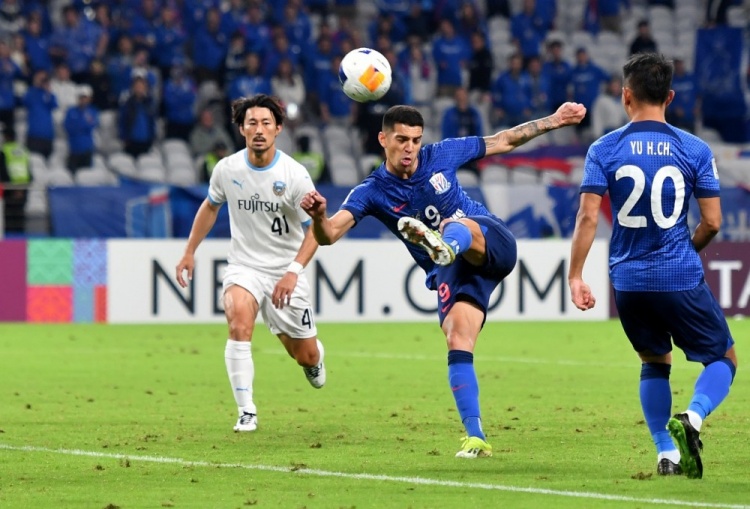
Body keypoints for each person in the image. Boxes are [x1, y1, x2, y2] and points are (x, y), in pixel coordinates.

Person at [301, 101, 586, 457]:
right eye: (402, 140)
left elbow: (503, 141)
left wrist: (555, 121)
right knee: (457, 338)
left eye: (415, 140)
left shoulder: (441, 154)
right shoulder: (372, 191)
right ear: (383, 139)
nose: (410, 148)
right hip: (454, 270)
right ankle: (476, 437)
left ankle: (446, 245)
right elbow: (329, 235)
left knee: (453, 223)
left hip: (489, 240)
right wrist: (318, 216)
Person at [568, 53, 737, 479]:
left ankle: (666, 453)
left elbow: (587, 217)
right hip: (678, 275)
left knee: (654, 361)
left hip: (628, 281)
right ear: (671, 97)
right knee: (724, 358)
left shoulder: (603, 148)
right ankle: (693, 417)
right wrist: (688, 249)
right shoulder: (694, 149)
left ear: (626, 96)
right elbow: (713, 222)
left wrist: (575, 275)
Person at [175, 94, 326, 433]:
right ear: (241, 128)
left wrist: (293, 271)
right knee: (238, 324)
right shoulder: (227, 169)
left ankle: (314, 358)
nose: (259, 129)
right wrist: (189, 251)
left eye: (266, 123)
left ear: (278, 129)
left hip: (285, 271)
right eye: (252, 123)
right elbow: (210, 206)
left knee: (305, 355)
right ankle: (247, 411)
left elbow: (315, 232)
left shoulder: (295, 175)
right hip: (244, 267)